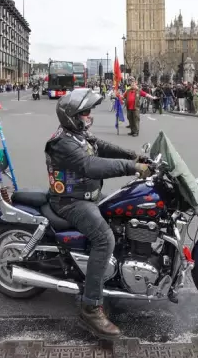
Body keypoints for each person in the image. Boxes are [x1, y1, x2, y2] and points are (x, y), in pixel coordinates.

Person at [45, 89, 151, 338]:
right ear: (72, 116)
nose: (89, 116)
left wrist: (132, 154)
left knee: (126, 214)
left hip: (87, 195)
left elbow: (99, 146)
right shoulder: (62, 142)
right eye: (85, 112)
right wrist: (132, 167)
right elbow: (89, 166)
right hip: (71, 202)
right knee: (105, 239)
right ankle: (90, 306)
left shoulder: (78, 134)